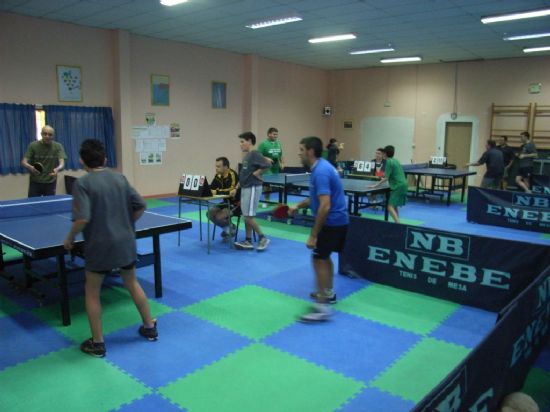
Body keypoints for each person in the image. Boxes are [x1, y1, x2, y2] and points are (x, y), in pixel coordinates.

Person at [63, 139, 157, 358]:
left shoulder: (83, 184)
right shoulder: (120, 178)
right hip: (125, 242)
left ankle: (97, 343)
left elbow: (82, 218)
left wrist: (69, 238)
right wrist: (128, 224)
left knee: (92, 291)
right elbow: (141, 205)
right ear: (105, 159)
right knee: (132, 283)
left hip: (99, 245)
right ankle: (149, 327)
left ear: (82, 161)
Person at [288, 136, 349, 322]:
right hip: (340, 221)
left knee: (318, 259)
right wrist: (298, 205)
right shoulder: (321, 167)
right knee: (325, 257)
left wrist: (313, 235)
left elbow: (324, 206)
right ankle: (328, 293)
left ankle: (322, 308)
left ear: (310, 152)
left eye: (301, 149)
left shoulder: (321, 172)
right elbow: (317, 198)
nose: (299, 153)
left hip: (332, 222)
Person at [230, 132, 271, 251]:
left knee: (248, 216)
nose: (240, 144)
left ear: (249, 141)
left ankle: (263, 238)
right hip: (245, 187)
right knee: (247, 216)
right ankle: (248, 240)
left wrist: (257, 173)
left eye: (242, 141)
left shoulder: (254, 153)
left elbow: (267, 164)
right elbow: (243, 175)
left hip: (253, 187)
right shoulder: (247, 156)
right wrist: (236, 188)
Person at [21, 125, 66, 197]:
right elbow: (24, 162)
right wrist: (30, 167)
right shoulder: (33, 145)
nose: (47, 136)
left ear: (53, 136)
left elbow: (62, 163)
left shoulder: (58, 146)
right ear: (41, 134)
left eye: (50, 134)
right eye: (45, 134)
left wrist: (57, 169)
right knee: (33, 205)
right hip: (35, 182)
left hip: (50, 182)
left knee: (49, 206)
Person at [372, 145, 408, 223]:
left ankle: (398, 224)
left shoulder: (389, 162)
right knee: (394, 205)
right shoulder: (396, 160)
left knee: (389, 207)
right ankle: (397, 222)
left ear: (385, 153)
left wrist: (376, 185)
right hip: (404, 184)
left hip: (398, 186)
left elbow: (386, 178)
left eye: (382, 153)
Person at [207, 156, 239, 240]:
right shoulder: (218, 176)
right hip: (225, 203)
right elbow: (212, 188)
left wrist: (217, 191)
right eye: (216, 166)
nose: (216, 168)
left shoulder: (232, 175)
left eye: (218, 166)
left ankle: (229, 229)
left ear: (226, 167)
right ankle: (229, 228)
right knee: (209, 214)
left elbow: (230, 192)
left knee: (218, 217)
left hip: (236, 204)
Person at [258, 127, 284, 204]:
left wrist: (282, 163)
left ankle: (281, 202)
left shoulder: (278, 143)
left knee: (281, 185)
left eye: (277, 134)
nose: (276, 136)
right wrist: (266, 158)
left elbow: (281, 155)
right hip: (267, 167)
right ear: (269, 134)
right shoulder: (263, 144)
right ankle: (267, 201)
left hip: (276, 167)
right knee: (267, 185)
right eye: (274, 134)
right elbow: (258, 155)